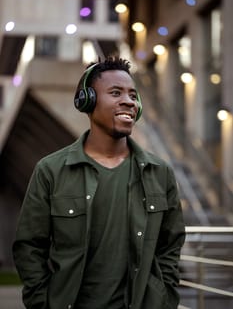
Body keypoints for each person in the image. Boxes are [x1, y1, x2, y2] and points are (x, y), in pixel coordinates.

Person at [13, 56, 185, 309]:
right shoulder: (51, 170)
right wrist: (43, 302)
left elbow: (171, 244)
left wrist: (162, 297)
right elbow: (29, 246)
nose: (128, 101)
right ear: (88, 100)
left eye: (132, 95)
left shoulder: (160, 173)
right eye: (116, 93)